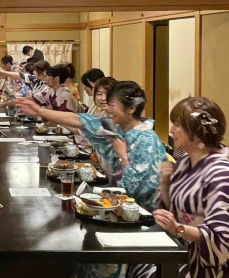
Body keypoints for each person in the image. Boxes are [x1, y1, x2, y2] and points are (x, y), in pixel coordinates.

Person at [16, 80, 166, 210]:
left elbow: (135, 191)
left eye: (113, 105)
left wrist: (123, 156)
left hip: (142, 213)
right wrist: (40, 111)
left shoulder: (147, 140)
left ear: (131, 109)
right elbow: (79, 120)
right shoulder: (115, 126)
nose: (108, 109)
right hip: (115, 202)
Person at [128, 97, 229, 278]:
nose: (171, 130)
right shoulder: (184, 162)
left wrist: (179, 229)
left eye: (178, 125)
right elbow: (173, 210)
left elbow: (220, 238)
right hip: (179, 249)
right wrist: (165, 184)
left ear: (199, 131)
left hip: (201, 265)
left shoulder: (220, 173)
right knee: (134, 261)